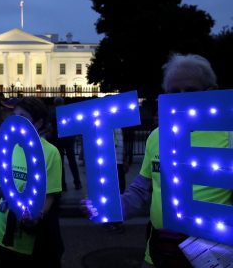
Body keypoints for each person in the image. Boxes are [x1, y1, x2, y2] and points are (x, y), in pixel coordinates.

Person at [81, 53, 231, 267]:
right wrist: (110, 208)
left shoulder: (229, 138)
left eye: (190, 91)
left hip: (212, 260)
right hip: (157, 254)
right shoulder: (157, 136)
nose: (180, 98)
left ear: (211, 92)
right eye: (173, 92)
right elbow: (142, 190)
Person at [0, 97, 64, 268]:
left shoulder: (50, 153)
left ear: (37, 123)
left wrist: (34, 218)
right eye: (14, 115)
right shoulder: (9, 148)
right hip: (2, 233)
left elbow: (49, 197)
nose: (15, 121)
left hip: (32, 240)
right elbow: (2, 191)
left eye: (22, 116)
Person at [48, 97, 82, 191]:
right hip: (69, 139)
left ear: (55, 103)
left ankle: (63, 185)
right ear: (63, 102)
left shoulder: (52, 113)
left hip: (57, 140)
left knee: (60, 164)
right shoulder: (68, 111)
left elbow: (50, 128)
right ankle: (77, 182)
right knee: (72, 162)